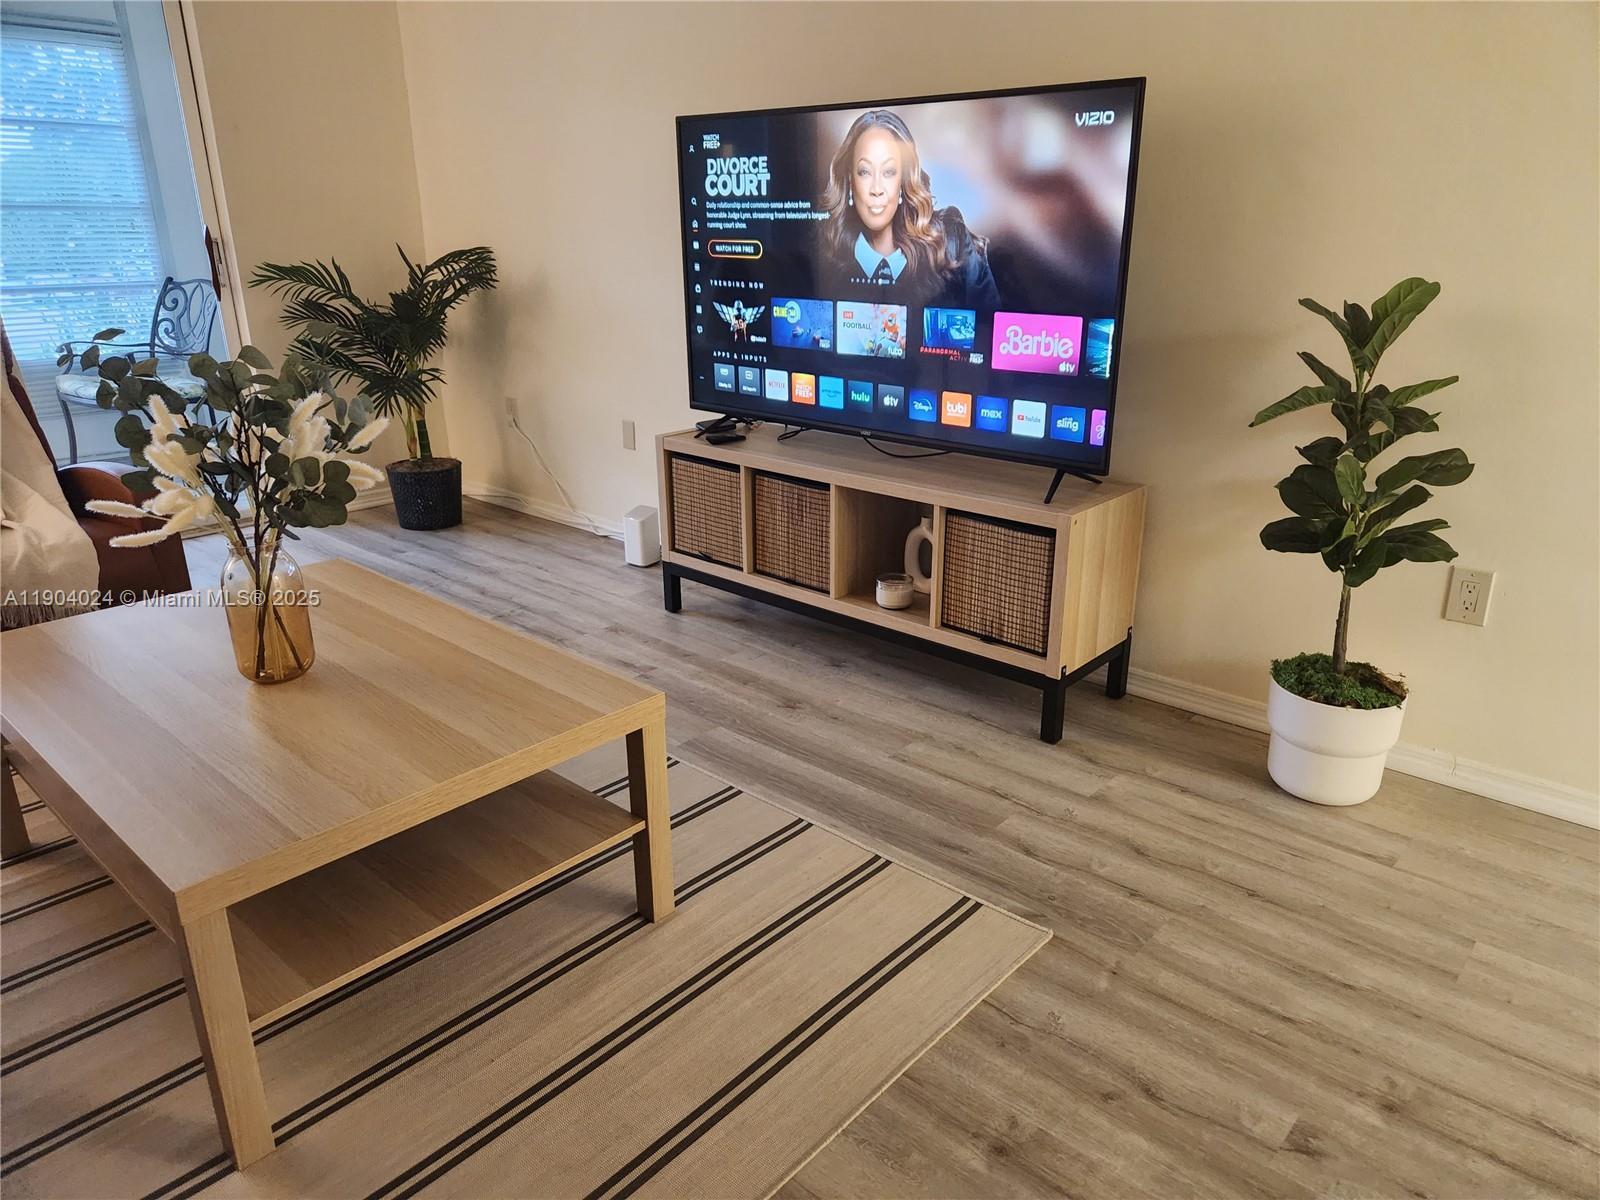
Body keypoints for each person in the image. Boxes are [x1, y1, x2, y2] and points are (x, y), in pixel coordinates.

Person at [818, 110, 1000, 311]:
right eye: (864, 172)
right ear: (850, 181)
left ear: (904, 181)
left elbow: (990, 327)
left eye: (889, 172)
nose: (876, 189)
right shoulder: (823, 252)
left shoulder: (951, 243)